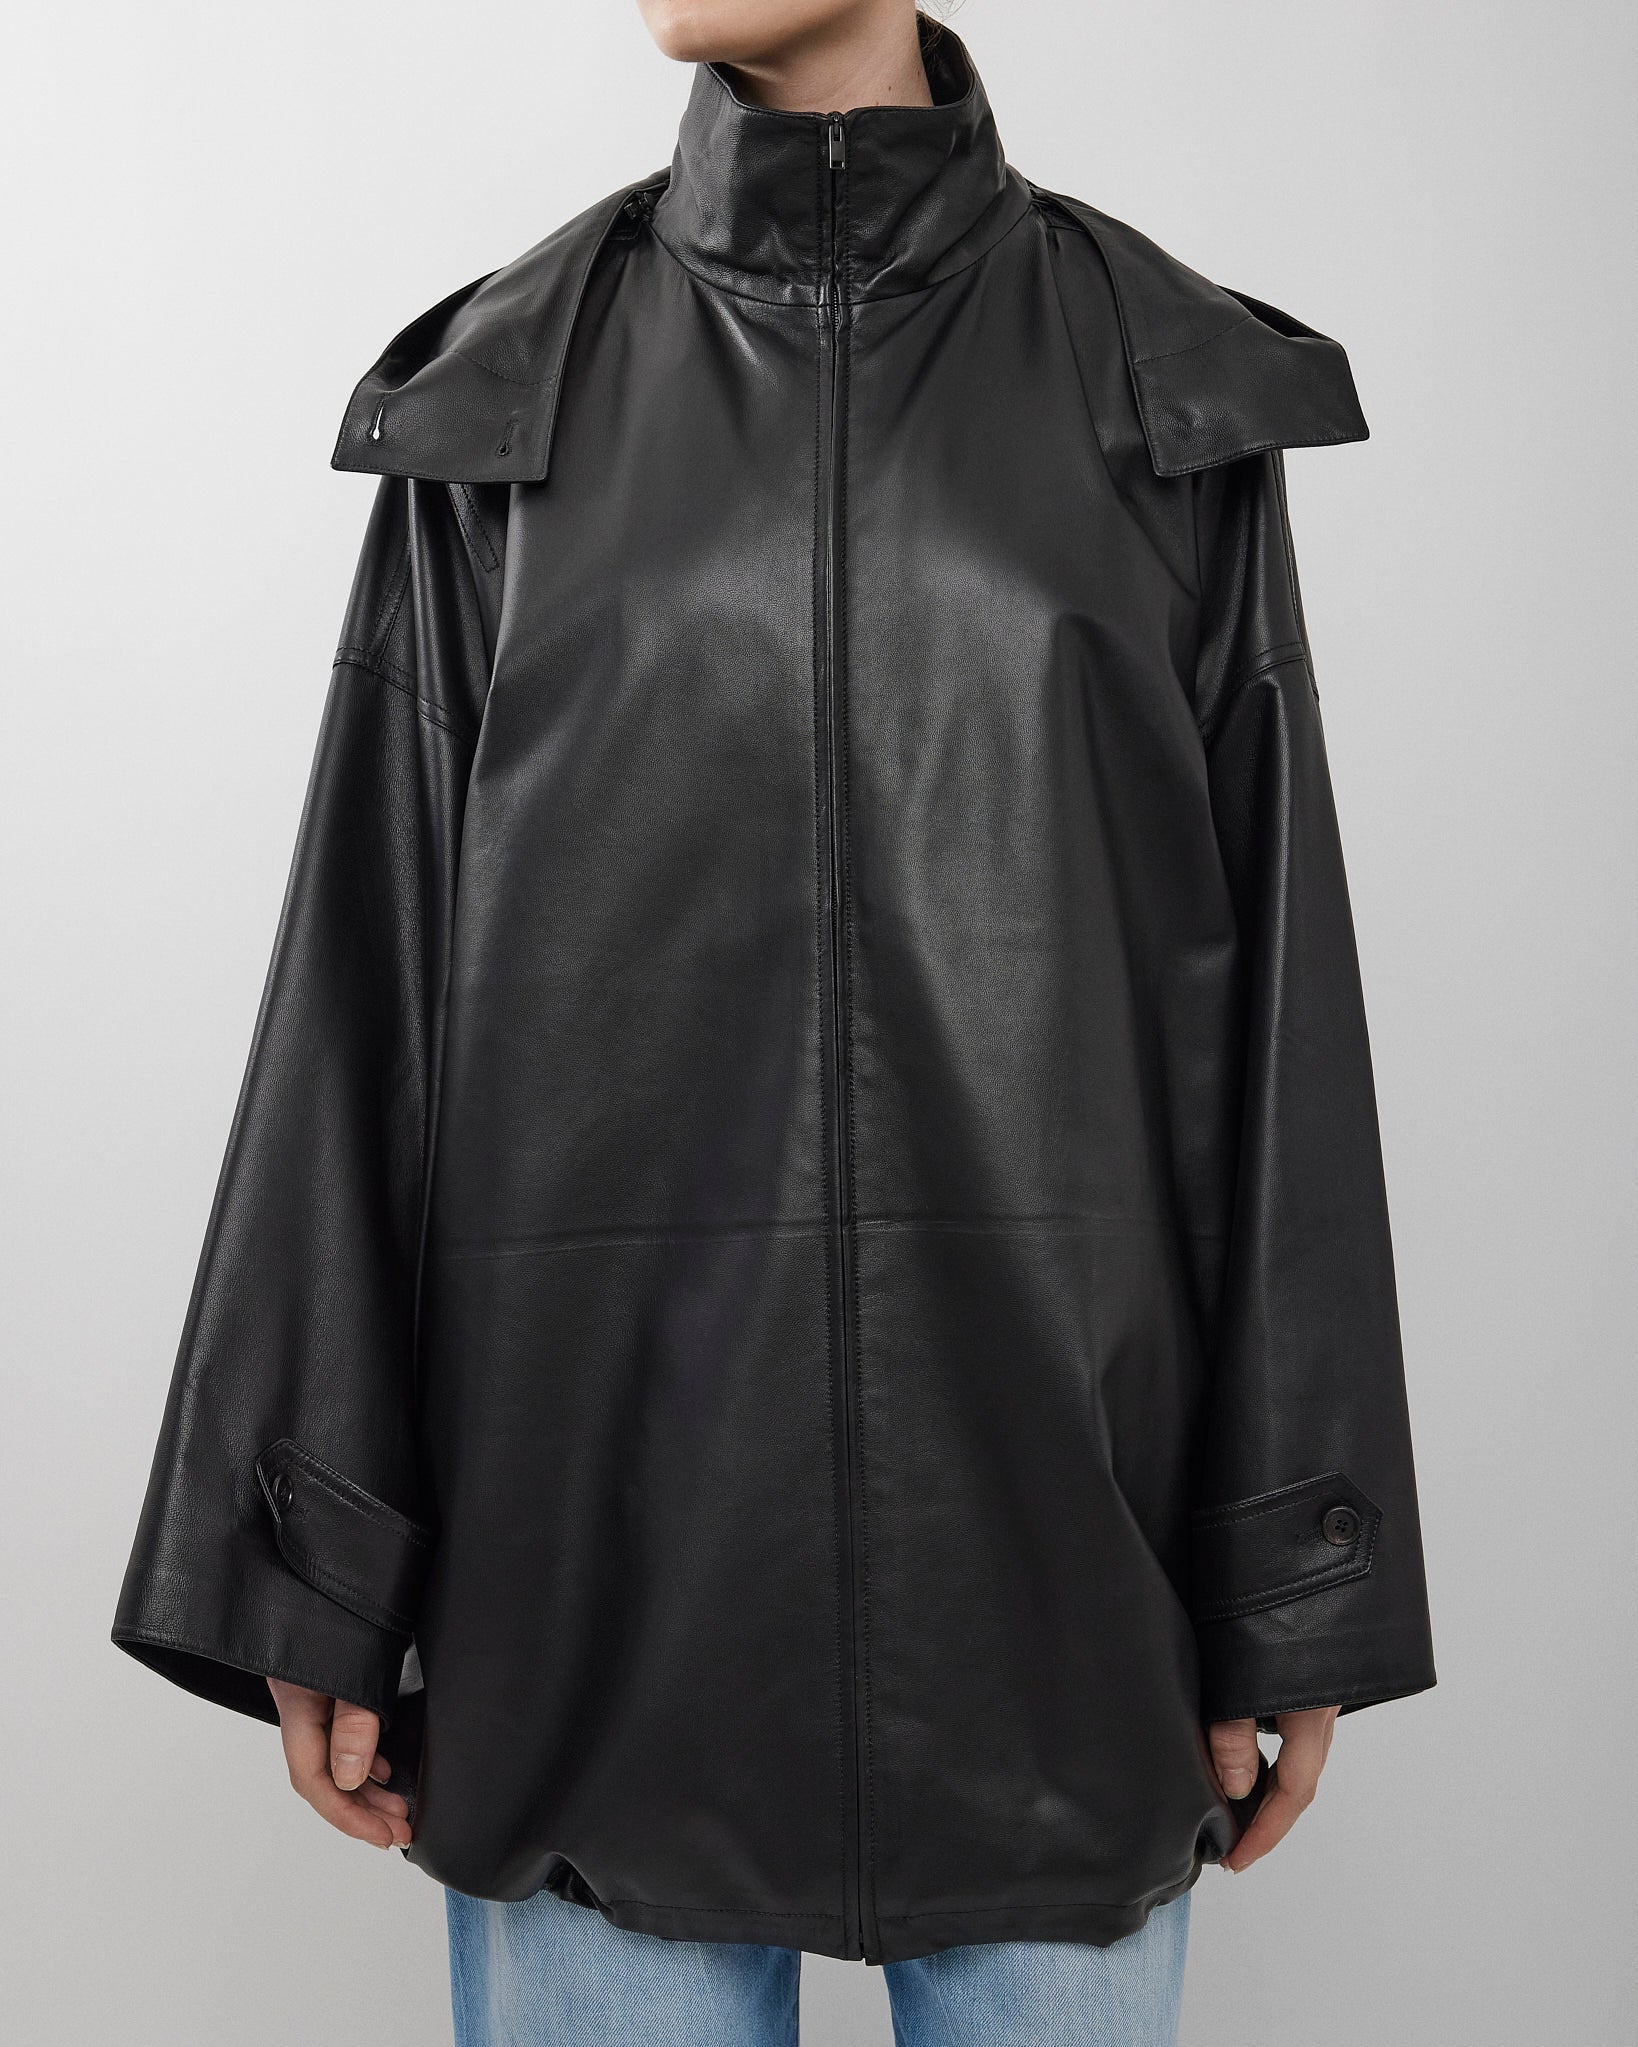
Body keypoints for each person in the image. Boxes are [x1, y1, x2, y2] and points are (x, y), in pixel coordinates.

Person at [112, 2, 1436, 2040]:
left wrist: (1290, 1576)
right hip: (587, 1583)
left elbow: (1277, 1024)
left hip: (1058, 1593)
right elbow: (362, 993)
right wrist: (317, 1557)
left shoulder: (1153, 385)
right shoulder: (514, 395)